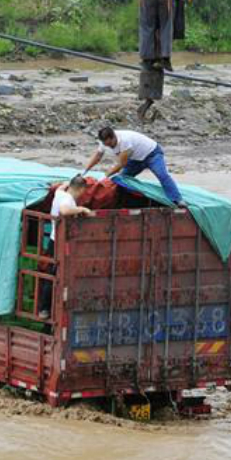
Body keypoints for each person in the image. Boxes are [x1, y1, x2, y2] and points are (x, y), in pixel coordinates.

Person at [38, 176, 94, 318]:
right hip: (60, 242)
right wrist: (81, 208)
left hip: (53, 239)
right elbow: (64, 210)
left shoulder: (60, 193)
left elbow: (62, 186)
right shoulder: (67, 200)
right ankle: (46, 309)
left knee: (51, 274)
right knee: (56, 275)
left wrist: (66, 183)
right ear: (81, 189)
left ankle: (45, 309)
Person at [84, 126, 183, 206]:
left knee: (162, 175)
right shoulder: (104, 143)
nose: (109, 146)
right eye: (106, 145)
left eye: (110, 144)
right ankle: (123, 200)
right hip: (136, 159)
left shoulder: (125, 140)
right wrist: (85, 170)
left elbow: (121, 164)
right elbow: (97, 157)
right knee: (122, 179)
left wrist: (105, 176)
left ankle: (177, 199)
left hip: (152, 154)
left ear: (114, 137)